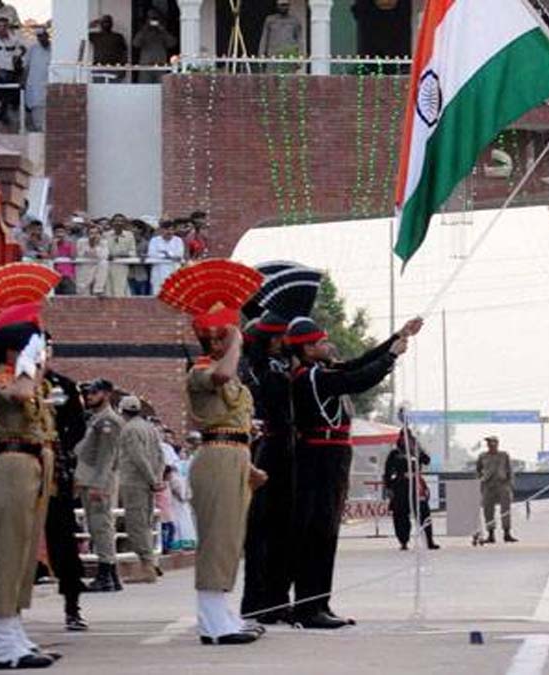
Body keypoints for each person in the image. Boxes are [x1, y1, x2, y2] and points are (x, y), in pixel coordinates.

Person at [159, 261, 268, 646]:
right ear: (215, 341)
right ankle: (212, 622)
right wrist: (236, 341)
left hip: (232, 455)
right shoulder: (201, 371)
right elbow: (221, 377)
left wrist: (248, 466)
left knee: (230, 539)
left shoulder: (230, 375)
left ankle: (223, 614)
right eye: (225, 336)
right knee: (217, 539)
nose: (233, 343)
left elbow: (236, 426)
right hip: (217, 456)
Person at [286, 315, 417, 628]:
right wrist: (391, 356)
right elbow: (358, 380)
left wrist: (396, 338)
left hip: (332, 454)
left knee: (328, 530)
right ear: (307, 348)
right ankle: (308, 607)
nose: (327, 345)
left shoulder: (322, 371)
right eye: (321, 342)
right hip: (318, 456)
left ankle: (320, 602)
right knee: (316, 531)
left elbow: (359, 363)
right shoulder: (310, 377)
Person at [0, 271, 62, 668]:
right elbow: (22, 394)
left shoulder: (27, 375)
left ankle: (15, 633)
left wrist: (37, 365)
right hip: (11, 466)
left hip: (31, 465)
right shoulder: (1, 377)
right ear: (17, 346)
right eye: (33, 341)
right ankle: (4, 644)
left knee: (24, 555)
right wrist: (30, 362)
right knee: (8, 552)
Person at [239, 312, 296, 624]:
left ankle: (269, 599)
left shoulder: (266, 368)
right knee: (265, 532)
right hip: (266, 450)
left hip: (270, 449)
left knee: (272, 533)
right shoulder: (260, 371)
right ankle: (263, 601)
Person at [43, 354, 90, 631]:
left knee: (62, 538)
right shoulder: (7, 382)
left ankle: (72, 606)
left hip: (55, 467)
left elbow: (78, 426)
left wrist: (61, 445)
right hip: (22, 460)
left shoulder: (63, 385)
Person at [74, 378, 125, 593]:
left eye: (94, 393)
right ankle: (111, 576)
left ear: (106, 394)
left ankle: (105, 576)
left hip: (98, 481)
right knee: (99, 527)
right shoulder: (97, 419)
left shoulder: (108, 421)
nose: (89, 397)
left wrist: (98, 485)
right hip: (92, 480)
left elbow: (107, 457)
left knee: (101, 527)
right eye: (88, 393)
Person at [117, 395, 165, 583]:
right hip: (149, 482)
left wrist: (152, 479)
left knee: (136, 524)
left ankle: (147, 567)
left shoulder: (129, 429)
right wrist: (157, 478)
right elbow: (160, 455)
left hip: (135, 481)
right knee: (145, 523)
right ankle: (149, 564)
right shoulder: (150, 428)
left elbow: (137, 457)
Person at [383, 430, 439, 551]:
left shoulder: (416, 450)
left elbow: (427, 460)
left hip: (416, 485)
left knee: (424, 512)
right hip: (400, 486)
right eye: (403, 438)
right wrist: (388, 487)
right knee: (400, 514)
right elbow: (387, 472)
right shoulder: (395, 453)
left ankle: (429, 541)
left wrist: (417, 448)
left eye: (408, 438)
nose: (405, 441)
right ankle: (403, 541)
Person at [476, 435, 517, 544]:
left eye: (492, 442)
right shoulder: (482, 456)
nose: (490, 444)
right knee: (488, 510)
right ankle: (491, 534)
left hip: (502, 484)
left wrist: (510, 484)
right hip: (488, 485)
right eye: (488, 442)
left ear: (497, 443)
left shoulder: (504, 455)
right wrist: (482, 480)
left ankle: (507, 533)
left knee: (505, 510)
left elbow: (510, 470)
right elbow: (478, 469)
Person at [133, 10, 176, 83]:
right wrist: (144, 29)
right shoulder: (143, 32)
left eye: (155, 18)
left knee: (161, 87)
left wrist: (163, 30)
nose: (153, 21)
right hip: (146, 66)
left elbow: (172, 44)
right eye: (151, 18)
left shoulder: (163, 32)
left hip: (160, 66)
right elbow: (135, 44)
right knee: (144, 87)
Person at [21, 24, 47, 132]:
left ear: (47, 35)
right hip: (35, 86)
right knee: (36, 110)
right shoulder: (32, 49)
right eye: (39, 36)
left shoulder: (54, 48)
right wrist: (23, 81)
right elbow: (26, 66)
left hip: (48, 86)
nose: (41, 38)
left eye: (43, 35)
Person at [147, 221, 184, 295]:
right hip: (159, 271)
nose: (169, 232)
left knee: (174, 295)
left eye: (171, 230)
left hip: (174, 270)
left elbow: (179, 254)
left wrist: (167, 254)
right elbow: (151, 254)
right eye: (167, 229)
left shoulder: (178, 240)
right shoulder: (154, 240)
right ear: (161, 230)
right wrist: (166, 256)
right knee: (157, 294)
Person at [105, 214, 135, 297]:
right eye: (116, 221)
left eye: (121, 221)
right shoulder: (106, 235)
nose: (119, 223)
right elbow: (103, 250)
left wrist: (120, 255)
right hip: (108, 266)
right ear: (112, 223)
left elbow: (133, 252)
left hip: (122, 267)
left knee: (121, 290)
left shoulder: (129, 235)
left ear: (124, 223)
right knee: (108, 290)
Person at [75, 223, 110, 296]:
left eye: (96, 233)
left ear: (100, 234)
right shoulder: (81, 241)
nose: (94, 235)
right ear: (87, 234)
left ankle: (98, 289)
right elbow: (80, 254)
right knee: (82, 291)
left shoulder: (104, 242)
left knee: (104, 263)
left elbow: (103, 256)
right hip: (84, 267)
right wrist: (91, 245)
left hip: (97, 266)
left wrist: (95, 245)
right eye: (91, 233)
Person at [50, 223, 76, 294]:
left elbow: (73, 256)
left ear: (65, 233)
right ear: (54, 233)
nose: (59, 234)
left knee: (69, 293)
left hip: (67, 274)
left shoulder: (70, 242)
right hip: (54, 273)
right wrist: (55, 243)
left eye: (61, 232)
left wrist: (71, 244)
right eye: (57, 232)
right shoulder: (51, 243)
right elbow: (53, 256)